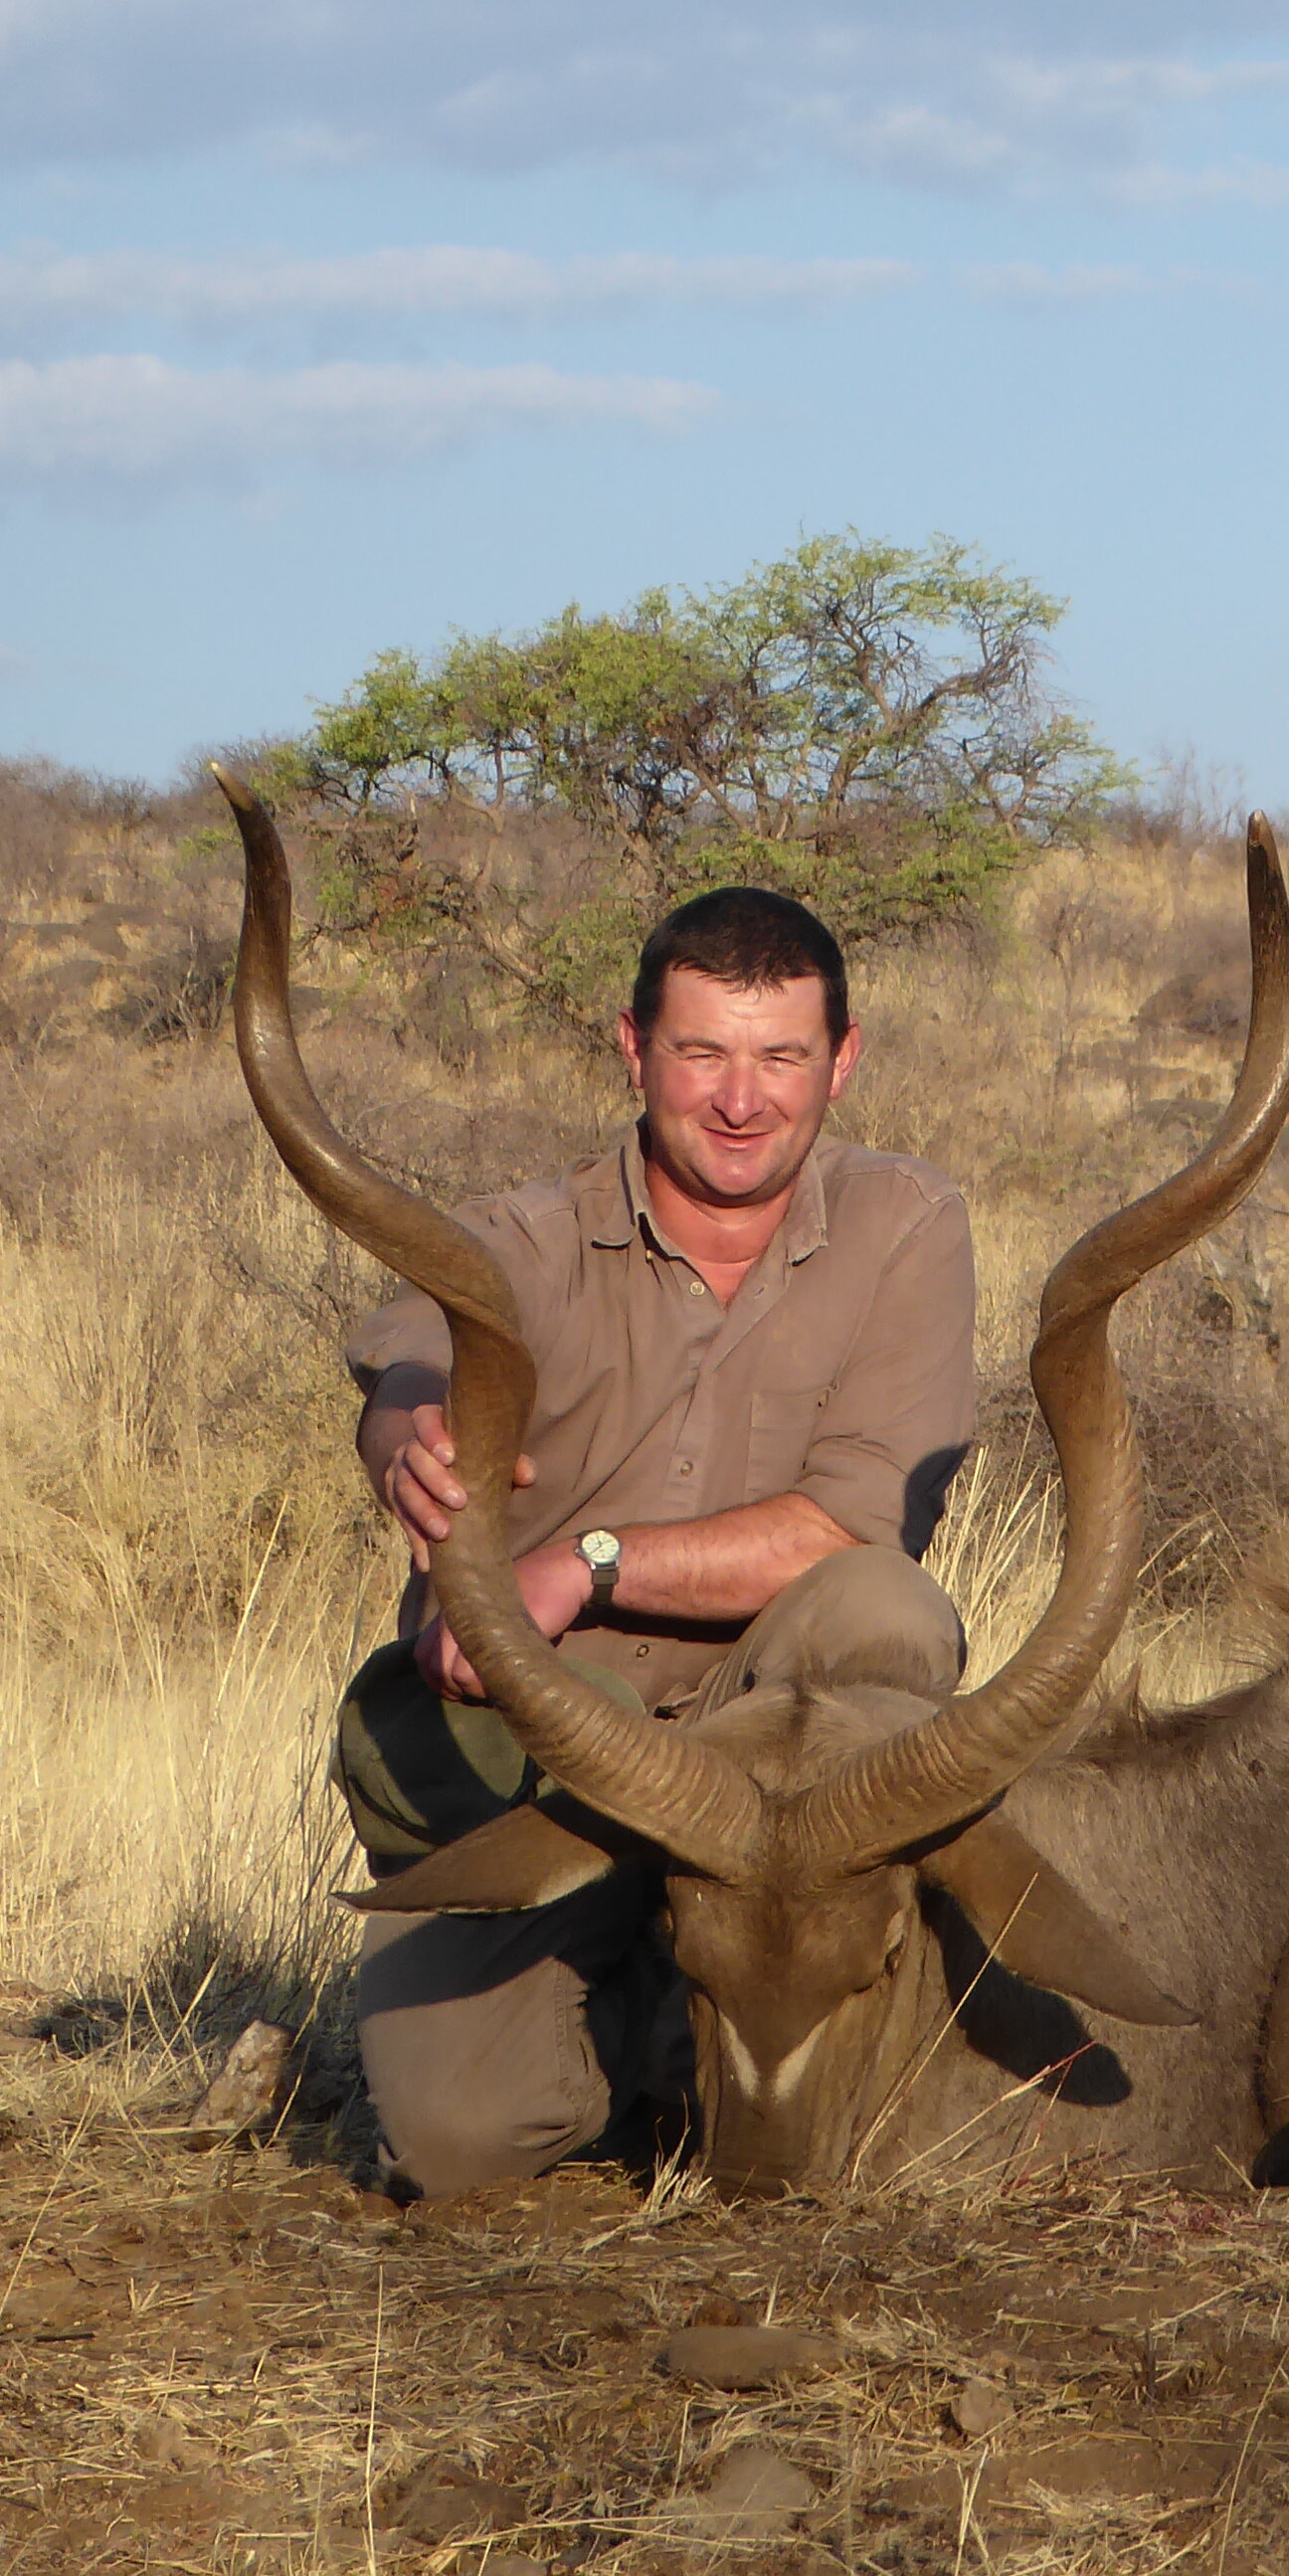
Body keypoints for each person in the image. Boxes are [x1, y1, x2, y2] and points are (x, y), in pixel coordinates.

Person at [328, 886, 978, 2198]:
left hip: (772, 1777)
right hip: (562, 1757)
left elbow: (858, 1524)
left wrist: (591, 1561)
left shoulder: (906, 1224)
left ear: (840, 1063)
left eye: (782, 1058)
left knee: (884, 1613)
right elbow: (408, 1363)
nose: (742, 1100)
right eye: (702, 1054)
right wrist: (407, 1436)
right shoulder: (526, 1236)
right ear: (634, 1047)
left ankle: (775, 2007)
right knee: (462, 2142)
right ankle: (653, 2017)